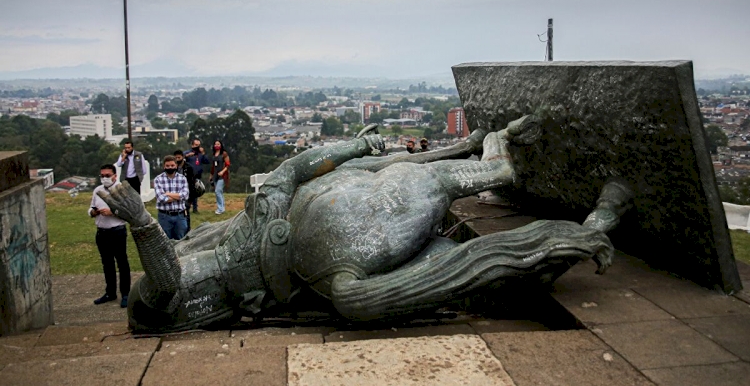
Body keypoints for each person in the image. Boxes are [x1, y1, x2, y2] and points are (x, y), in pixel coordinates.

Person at [99, 116, 632, 333]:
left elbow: (288, 170)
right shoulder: (152, 305)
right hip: (284, 266)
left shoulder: (195, 247)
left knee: (304, 174)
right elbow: (165, 280)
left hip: (267, 234)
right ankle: (574, 209)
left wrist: (357, 145)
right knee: (494, 284)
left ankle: (485, 159)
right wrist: (142, 223)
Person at [89, 164, 130, 308]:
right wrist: (94, 212)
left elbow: (129, 212)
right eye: (102, 176)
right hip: (102, 232)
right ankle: (110, 292)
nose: (104, 178)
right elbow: (91, 208)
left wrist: (113, 213)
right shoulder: (97, 190)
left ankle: (125, 293)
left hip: (117, 231)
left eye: (107, 175)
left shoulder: (122, 190)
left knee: (122, 263)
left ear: (115, 176)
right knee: (107, 263)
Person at [154, 155, 189, 240]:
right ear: (164, 166)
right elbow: (161, 198)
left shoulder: (182, 178)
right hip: (165, 216)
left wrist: (168, 193)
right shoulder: (158, 179)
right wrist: (177, 196)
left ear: (176, 166)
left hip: (180, 216)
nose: (170, 167)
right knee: (165, 242)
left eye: (172, 166)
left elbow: (185, 195)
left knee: (181, 241)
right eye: (168, 166)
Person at [184, 139, 209, 213]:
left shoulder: (200, 154)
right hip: (188, 175)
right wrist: (187, 156)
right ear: (192, 145)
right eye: (196, 145)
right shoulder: (188, 152)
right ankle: (186, 206)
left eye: (199, 145)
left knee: (195, 191)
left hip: (197, 175)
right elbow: (180, 158)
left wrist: (203, 153)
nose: (197, 147)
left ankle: (195, 208)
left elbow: (207, 161)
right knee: (188, 191)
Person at [173, 150, 196, 232]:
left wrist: (191, 198)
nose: (177, 159)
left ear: (182, 157)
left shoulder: (188, 168)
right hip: (175, 193)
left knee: (186, 212)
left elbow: (192, 183)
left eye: (179, 157)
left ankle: (187, 229)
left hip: (186, 193)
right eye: (176, 158)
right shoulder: (173, 167)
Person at [210, 140, 230, 215]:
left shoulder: (224, 154)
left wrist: (223, 171)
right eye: (215, 144)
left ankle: (220, 209)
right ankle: (222, 207)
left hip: (222, 175)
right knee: (219, 192)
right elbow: (213, 166)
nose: (216, 145)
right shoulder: (214, 154)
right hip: (215, 175)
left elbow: (228, 165)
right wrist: (211, 175)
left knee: (218, 191)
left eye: (218, 144)